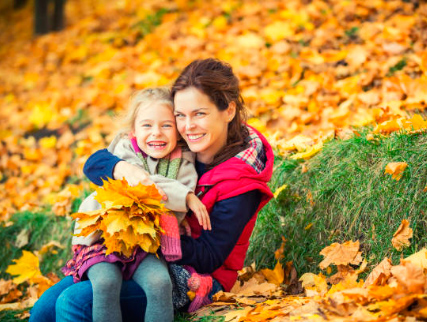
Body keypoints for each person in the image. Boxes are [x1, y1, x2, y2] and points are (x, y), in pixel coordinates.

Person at [30, 58, 274, 322]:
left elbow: (210, 256)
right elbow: (96, 162)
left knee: (74, 303)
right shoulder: (177, 148)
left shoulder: (240, 183)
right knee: (44, 309)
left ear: (228, 111)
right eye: (180, 115)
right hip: (136, 252)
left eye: (199, 114)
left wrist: (153, 229)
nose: (188, 126)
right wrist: (125, 170)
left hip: (193, 275)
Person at [59, 87, 211, 322]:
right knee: (106, 283)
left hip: (145, 245)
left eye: (166, 125)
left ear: (178, 131)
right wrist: (186, 196)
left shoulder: (184, 161)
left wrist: (180, 200)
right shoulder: (125, 150)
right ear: (133, 130)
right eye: (147, 125)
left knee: (160, 283)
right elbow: (144, 185)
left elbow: (171, 201)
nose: (156, 134)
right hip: (105, 241)